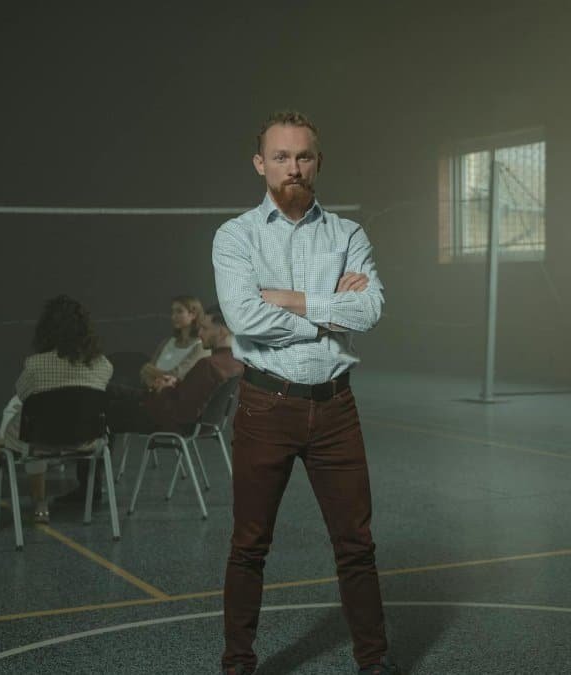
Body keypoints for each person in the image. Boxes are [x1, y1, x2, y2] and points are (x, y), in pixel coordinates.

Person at [212, 111, 394, 675]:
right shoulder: (235, 236)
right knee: (249, 546)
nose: (293, 167)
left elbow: (370, 311)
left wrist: (290, 300)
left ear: (318, 162)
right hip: (265, 407)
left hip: (336, 408)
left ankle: (374, 664)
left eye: (303, 156)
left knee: (356, 545)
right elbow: (244, 318)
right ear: (260, 164)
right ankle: (237, 665)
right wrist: (329, 312)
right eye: (281, 157)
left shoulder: (348, 234)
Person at [0, 295, 112, 524]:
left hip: (42, 441)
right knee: (34, 423)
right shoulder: (103, 364)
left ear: (47, 329)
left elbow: (21, 393)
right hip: (86, 441)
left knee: (29, 425)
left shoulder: (35, 364)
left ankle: (39, 503)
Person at [107, 304, 243, 435]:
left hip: (171, 421)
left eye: (205, 328)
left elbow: (183, 412)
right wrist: (175, 383)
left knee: (108, 405)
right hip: (204, 424)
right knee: (112, 392)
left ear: (222, 331)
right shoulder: (236, 363)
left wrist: (163, 389)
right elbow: (196, 396)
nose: (200, 333)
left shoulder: (209, 365)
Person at [139, 296, 210, 390]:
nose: (173, 316)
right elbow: (145, 374)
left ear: (193, 315)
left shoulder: (201, 346)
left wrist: (150, 370)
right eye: (173, 312)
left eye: (179, 311)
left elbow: (178, 375)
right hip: (154, 394)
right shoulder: (167, 342)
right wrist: (154, 383)